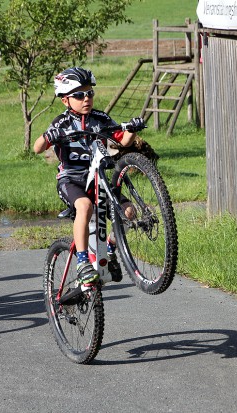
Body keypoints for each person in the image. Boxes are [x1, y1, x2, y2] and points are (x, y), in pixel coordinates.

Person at [34, 67, 145, 286]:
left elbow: (123, 141)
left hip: (98, 178)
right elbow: (38, 147)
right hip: (71, 180)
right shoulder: (61, 122)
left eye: (89, 93)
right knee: (84, 207)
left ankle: (111, 249)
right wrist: (49, 136)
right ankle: (83, 262)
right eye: (79, 95)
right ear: (65, 100)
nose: (86, 98)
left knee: (129, 212)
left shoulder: (100, 118)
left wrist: (132, 128)